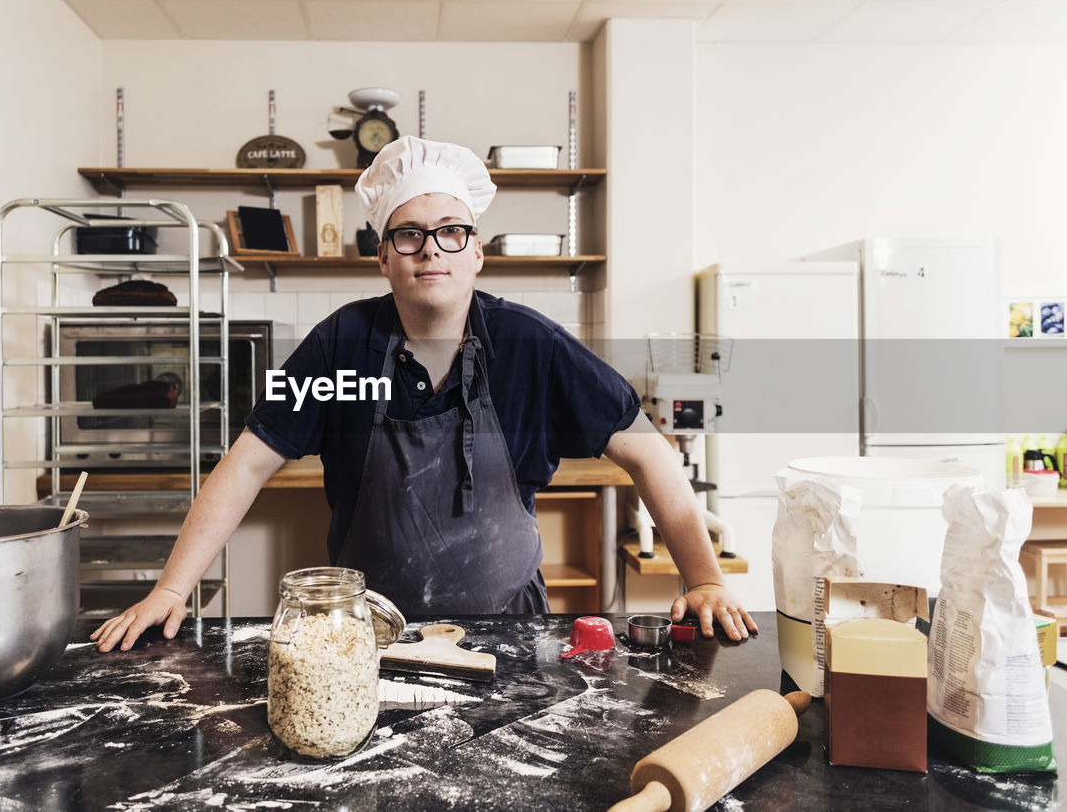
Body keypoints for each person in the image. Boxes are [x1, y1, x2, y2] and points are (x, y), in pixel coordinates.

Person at [91, 136, 757, 652]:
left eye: (450, 231)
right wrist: (172, 587)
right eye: (408, 234)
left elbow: (649, 450)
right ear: (383, 257)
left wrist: (703, 579)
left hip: (510, 640)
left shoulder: (528, 345)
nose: (430, 249)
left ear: (476, 254)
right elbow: (247, 463)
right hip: (368, 639)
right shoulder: (341, 345)